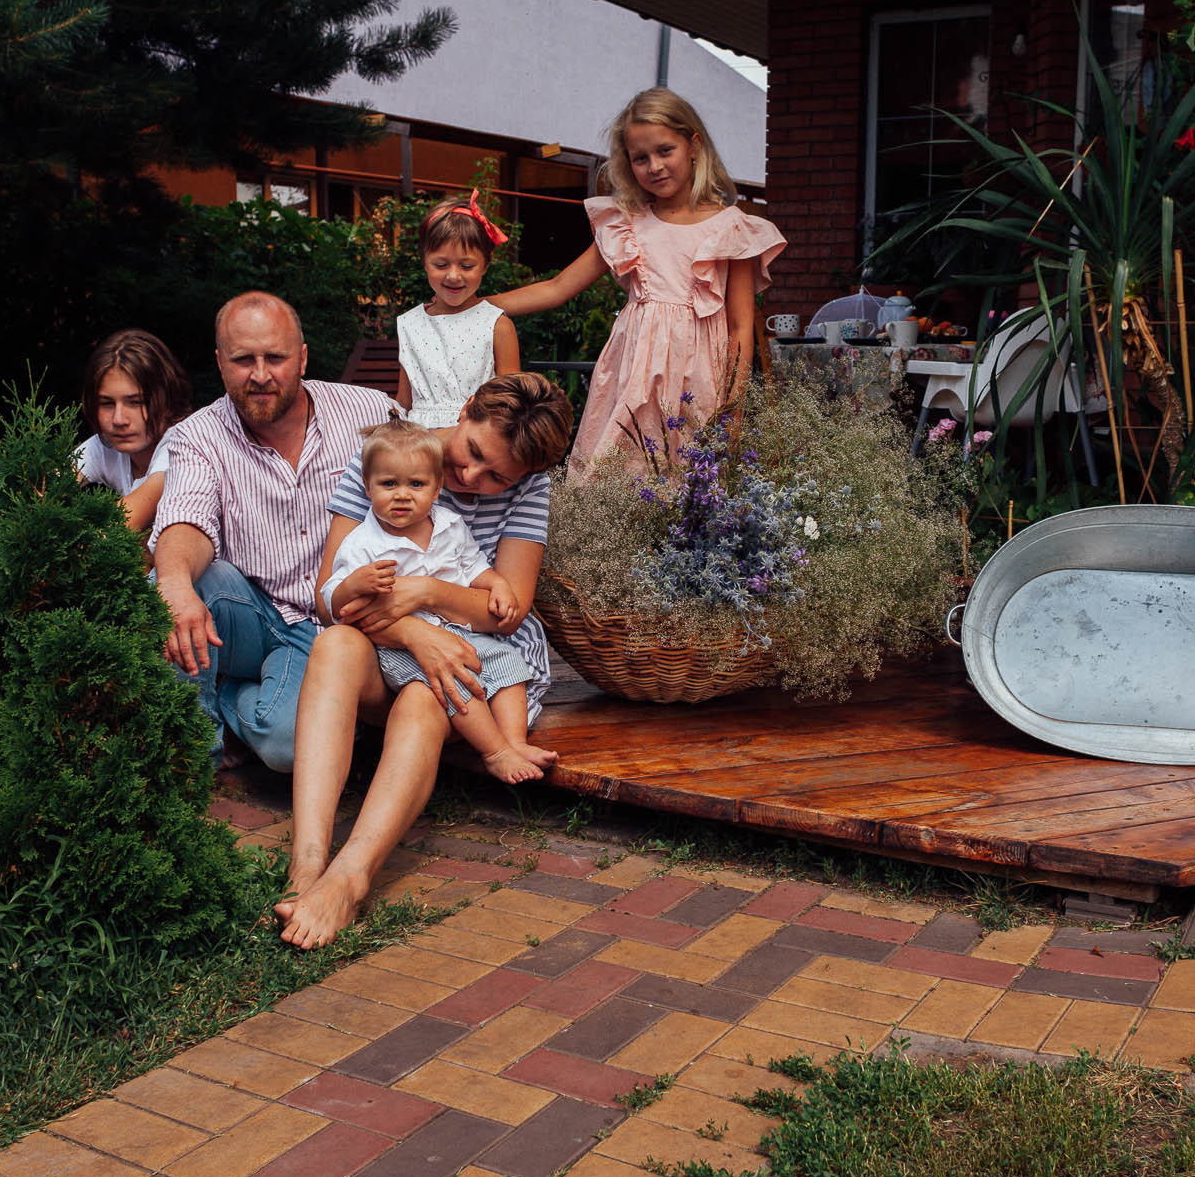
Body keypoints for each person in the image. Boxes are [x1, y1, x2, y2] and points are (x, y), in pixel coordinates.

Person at [277, 373, 574, 949]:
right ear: (465, 411)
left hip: (473, 654)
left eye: (497, 478)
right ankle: (306, 864)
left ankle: (350, 876)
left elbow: (503, 611)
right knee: (334, 643)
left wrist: (428, 595)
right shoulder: (388, 460)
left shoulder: (530, 488)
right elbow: (330, 596)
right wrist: (413, 630)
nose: (471, 478)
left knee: (425, 693)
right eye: (471, 455)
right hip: (385, 643)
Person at [152, 292, 391, 770]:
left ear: (302, 357)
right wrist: (175, 587)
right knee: (173, 587)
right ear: (220, 363)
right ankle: (193, 758)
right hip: (251, 612)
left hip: (334, 625)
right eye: (243, 359)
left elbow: (427, 474)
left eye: (275, 357)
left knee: (289, 748)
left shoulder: (367, 413)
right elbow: (187, 518)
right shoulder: (197, 436)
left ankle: (230, 694)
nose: (260, 374)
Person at [490, 87, 784, 471]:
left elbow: (742, 327)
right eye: (640, 158)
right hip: (632, 377)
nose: (655, 166)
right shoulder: (627, 224)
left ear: (694, 145)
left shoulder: (731, 228)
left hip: (699, 380)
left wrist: (734, 408)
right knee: (617, 473)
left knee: (688, 482)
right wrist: (476, 305)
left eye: (665, 151)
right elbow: (558, 287)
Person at [320, 419, 555, 784]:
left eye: (416, 485)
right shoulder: (363, 542)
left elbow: (474, 565)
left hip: (459, 628)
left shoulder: (448, 524)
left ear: (435, 488)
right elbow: (331, 598)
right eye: (388, 484)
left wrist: (498, 586)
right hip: (401, 644)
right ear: (367, 488)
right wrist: (354, 584)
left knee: (509, 664)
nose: (402, 495)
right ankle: (494, 752)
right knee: (453, 682)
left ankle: (514, 740)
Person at [396, 191, 521, 428]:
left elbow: (511, 403)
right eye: (441, 265)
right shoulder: (409, 323)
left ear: (486, 264)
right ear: (424, 260)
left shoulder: (497, 325)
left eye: (467, 265)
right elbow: (404, 402)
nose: (453, 276)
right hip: (417, 446)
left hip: (477, 438)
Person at [75, 328, 192, 534]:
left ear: (166, 400)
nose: (119, 420)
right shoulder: (105, 446)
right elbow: (42, 490)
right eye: (107, 404)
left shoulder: (182, 446)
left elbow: (118, 527)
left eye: (136, 402)